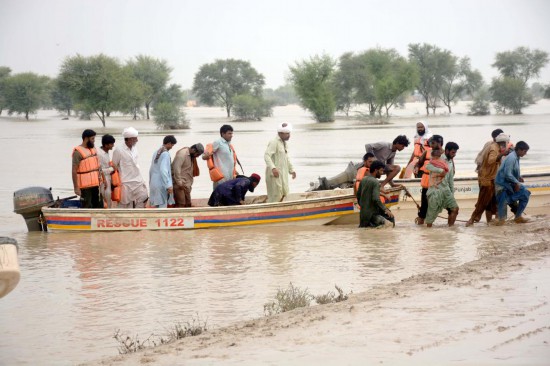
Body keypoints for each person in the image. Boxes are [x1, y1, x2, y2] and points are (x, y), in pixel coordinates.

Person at [466, 133, 510, 226]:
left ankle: (489, 223)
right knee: (483, 202)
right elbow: (491, 160)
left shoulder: (492, 145)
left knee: (491, 203)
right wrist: (502, 154)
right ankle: (472, 220)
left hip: (490, 178)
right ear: (503, 142)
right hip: (487, 180)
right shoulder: (494, 149)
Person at [494, 141, 531, 224]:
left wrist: (518, 177)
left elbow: (512, 171)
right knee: (502, 220)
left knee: (526, 193)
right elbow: (507, 174)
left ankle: (518, 217)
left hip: (510, 183)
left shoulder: (517, 157)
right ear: (519, 150)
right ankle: (507, 203)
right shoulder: (512, 158)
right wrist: (516, 183)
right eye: (525, 151)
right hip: (502, 184)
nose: (525, 153)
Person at [112, 127, 148, 209]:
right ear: (129, 139)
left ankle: (137, 214)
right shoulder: (118, 150)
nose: (137, 140)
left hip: (138, 180)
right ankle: (123, 219)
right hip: (125, 182)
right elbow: (114, 166)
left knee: (144, 197)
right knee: (124, 203)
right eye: (135, 139)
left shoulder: (135, 148)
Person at [425, 142, 460, 227]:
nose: (454, 155)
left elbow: (451, 179)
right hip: (435, 191)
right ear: (447, 151)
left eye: (455, 153)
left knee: (455, 209)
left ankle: (450, 230)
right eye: (453, 152)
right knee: (431, 217)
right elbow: (428, 166)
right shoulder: (438, 157)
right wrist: (440, 171)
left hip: (446, 190)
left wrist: (452, 193)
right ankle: (428, 235)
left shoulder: (451, 162)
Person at [415, 134, 444, 225]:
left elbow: (451, 169)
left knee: (436, 205)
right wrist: (416, 168)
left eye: (433, 143)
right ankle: (422, 225)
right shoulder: (427, 151)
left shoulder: (444, 154)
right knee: (424, 207)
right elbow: (419, 163)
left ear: (440, 143)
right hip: (426, 182)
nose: (431, 144)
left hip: (438, 183)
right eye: (430, 142)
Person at [264, 122, 296, 203]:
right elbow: (267, 156)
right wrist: (273, 168)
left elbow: (286, 158)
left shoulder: (284, 143)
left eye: (289, 133)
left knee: (284, 192)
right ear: (280, 133)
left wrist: (292, 170)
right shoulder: (274, 142)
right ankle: (272, 212)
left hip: (283, 173)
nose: (289, 135)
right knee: (275, 195)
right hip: (274, 174)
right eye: (287, 134)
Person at [356, 161, 394, 228]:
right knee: (390, 222)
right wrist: (385, 209)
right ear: (376, 170)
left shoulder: (364, 179)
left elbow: (358, 195)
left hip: (363, 214)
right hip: (372, 214)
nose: (382, 173)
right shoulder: (375, 182)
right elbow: (376, 199)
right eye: (381, 171)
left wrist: (364, 208)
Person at [72, 129, 103, 208]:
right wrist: (76, 188)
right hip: (85, 187)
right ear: (86, 138)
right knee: (87, 206)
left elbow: (98, 167)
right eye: (92, 139)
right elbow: (74, 171)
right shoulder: (77, 152)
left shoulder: (93, 149)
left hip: (96, 184)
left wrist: (103, 180)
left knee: (99, 205)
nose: (94, 141)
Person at [171, 143, 204, 207]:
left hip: (187, 184)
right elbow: (176, 170)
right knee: (181, 203)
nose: (197, 156)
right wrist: (179, 183)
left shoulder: (192, 156)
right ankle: (180, 216)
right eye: (197, 154)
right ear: (193, 150)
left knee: (188, 203)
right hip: (179, 183)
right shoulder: (182, 154)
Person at [149, 135, 177, 208]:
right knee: (162, 206)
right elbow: (163, 170)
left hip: (153, 183)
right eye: (172, 145)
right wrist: (168, 185)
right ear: (169, 143)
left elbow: (151, 169)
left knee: (156, 205)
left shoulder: (156, 152)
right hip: (161, 184)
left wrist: (150, 182)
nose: (172, 147)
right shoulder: (165, 154)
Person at [98, 134, 116, 208]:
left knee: (108, 197)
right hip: (103, 180)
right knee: (106, 196)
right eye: (111, 144)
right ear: (106, 145)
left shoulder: (106, 152)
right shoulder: (99, 154)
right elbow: (99, 170)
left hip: (108, 178)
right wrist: (112, 169)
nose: (113, 145)